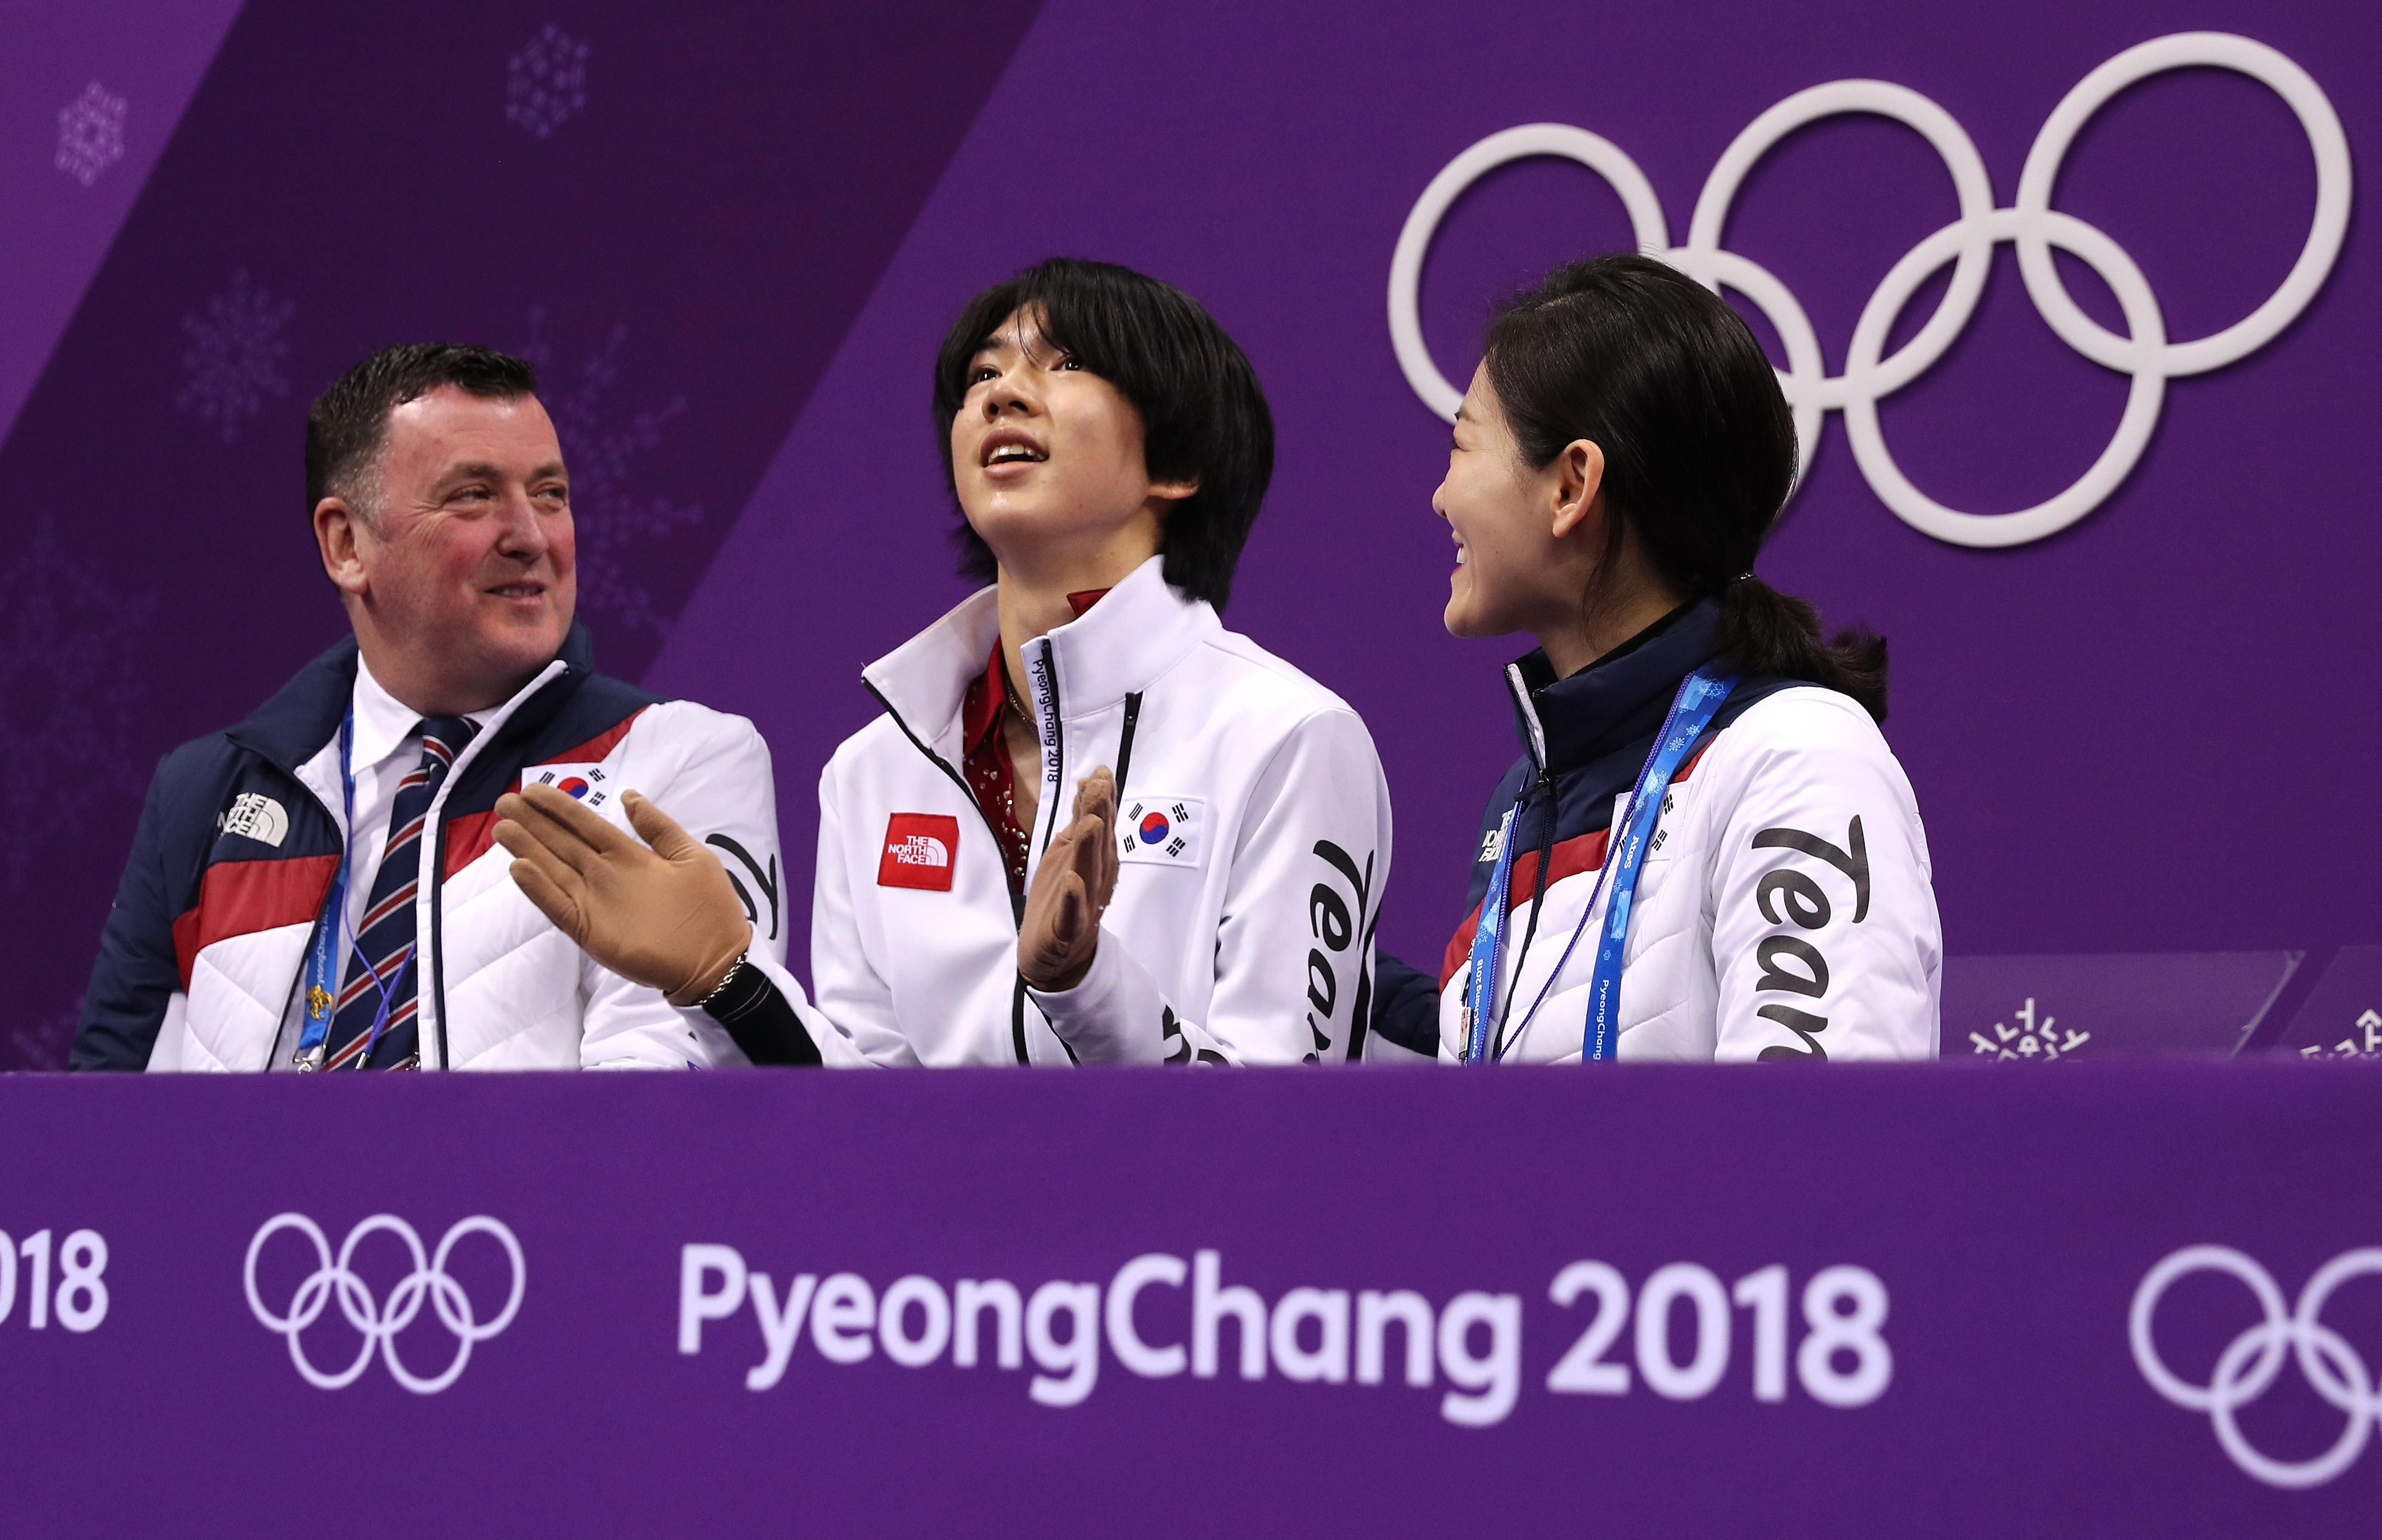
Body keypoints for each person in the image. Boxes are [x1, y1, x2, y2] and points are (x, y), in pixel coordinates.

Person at [495, 258, 1394, 1065]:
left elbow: (1283, 1127)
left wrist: (1085, 984)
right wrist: (725, 978)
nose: (1004, 395)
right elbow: (866, 1122)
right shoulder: (872, 772)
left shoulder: (1289, 738)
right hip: (935, 1217)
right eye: (983, 375)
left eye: (1066, 364)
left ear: (1180, 460)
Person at [70, 343, 787, 1072]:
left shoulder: (673, 762)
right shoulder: (205, 794)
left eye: (550, 493)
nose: (532, 536)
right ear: (347, 545)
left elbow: (665, 1109)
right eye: (473, 495)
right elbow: (99, 1120)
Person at [1369, 253, 1940, 1063]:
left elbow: (1819, 1125)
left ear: (1571, 486)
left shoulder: (1799, 756)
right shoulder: (1526, 795)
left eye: (1463, 446)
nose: (1440, 496)